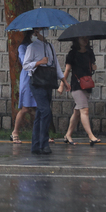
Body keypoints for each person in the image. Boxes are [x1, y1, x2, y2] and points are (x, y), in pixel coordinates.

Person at [22, 27, 70, 155]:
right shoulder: (31, 47)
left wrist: (64, 81)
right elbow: (25, 65)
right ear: (36, 32)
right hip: (37, 82)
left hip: (48, 82)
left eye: (45, 28)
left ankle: (36, 145)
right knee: (45, 111)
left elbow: (56, 66)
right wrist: (39, 62)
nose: (45, 31)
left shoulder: (50, 46)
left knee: (40, 113)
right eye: (42, 29)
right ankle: (44, 143)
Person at [10, 30, 55, 144]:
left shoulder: (42, 46)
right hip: (27, 78)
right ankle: (15, 132)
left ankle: (42, 134)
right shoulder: (24, 47)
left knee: (39, 108)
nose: (36, 36)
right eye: (34, 34)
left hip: (39, 78)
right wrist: (39, 61)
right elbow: (25, 62)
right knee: (25, 108)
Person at [58, 36, 101, 145]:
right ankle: (91, 136)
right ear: (77, 40)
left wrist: (94, 67)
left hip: (87, 84)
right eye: (82, 38)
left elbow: (92, 66)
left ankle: (68, 135)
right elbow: (67, 70)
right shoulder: (72, 54)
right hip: (76, 85)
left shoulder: (90, 52)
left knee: (77, 112)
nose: (85, 40)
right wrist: (62, 85)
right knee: (84, 110)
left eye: (86, 38)